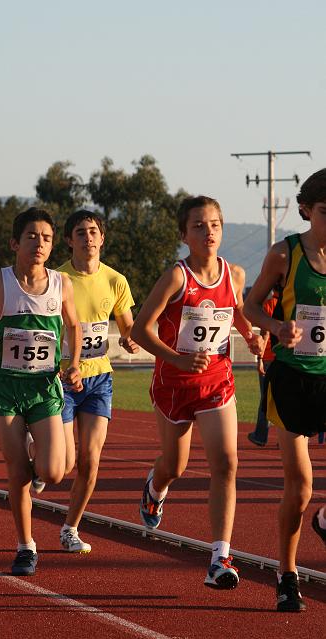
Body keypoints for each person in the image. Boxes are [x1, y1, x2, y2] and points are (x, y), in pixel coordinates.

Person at [131, 195, 263, 589]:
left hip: (217, 381)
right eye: (199, 226)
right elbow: (140, 330)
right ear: (184, 234)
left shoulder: (234, 274)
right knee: (176, 466)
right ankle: (156, 485)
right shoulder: (176, 277)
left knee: (226, 463)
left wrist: (250, 336)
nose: (209, 232)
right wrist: (177, 359)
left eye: (215, 225)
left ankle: (220, 557)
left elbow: (235, 311)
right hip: (174, 385)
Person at [0, 207, 83, 576]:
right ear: (15, 242)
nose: (39, 243)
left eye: (46, 238)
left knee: (55, 471)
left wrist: (73, 363)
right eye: (32, 236)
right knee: (18, 473)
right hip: (7, 389)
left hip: (44, 387)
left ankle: (35, 450)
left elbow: (74, 326)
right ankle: (26, 546)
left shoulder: (62, 284)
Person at [243, 168, 326, 612]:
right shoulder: (285, 253)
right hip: (293, 378)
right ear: (306, 211)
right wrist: (276, 326)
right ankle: (287, 573)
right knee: (300, 488)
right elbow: (250, 305)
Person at [57, 209, 139, 553]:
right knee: (63, 465)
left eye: (93, 232)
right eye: (81, 232)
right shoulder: (57, 278)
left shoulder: (116, 280)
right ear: (69, 240)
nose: (88, 238)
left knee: (91, 460)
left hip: (99, 377)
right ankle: (38, 453)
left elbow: (127, 324)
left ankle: (70, 528)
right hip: (60, 379)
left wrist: (130, 338)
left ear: (102, 239)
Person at [247, 289, 279, 447]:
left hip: (269, 357)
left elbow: (265, 333)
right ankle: (286, 438)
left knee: (266, 398)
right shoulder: (294, 302)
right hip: (288, 358)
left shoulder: (269, 304)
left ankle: (260, 435)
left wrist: (259, 359)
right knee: (285, 398)